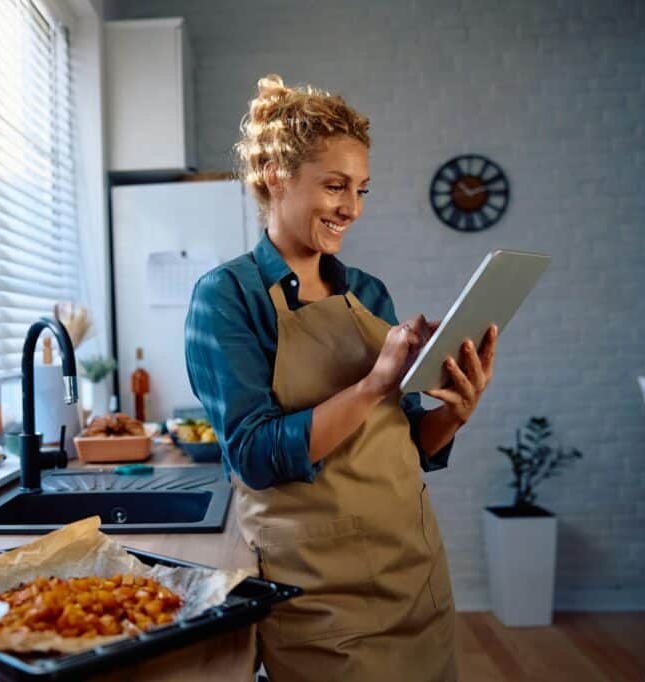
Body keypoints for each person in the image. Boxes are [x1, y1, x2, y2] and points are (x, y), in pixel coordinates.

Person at [184, 74, 498, 681]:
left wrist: (457, 409)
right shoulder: (228, 297)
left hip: (414, 573)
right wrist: (375, 383)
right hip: (320, 596)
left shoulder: (369, 293)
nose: (351, 208)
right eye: (334, 186)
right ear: (277, 174)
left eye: (361, 189)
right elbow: (252, 454)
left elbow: (403, 441)